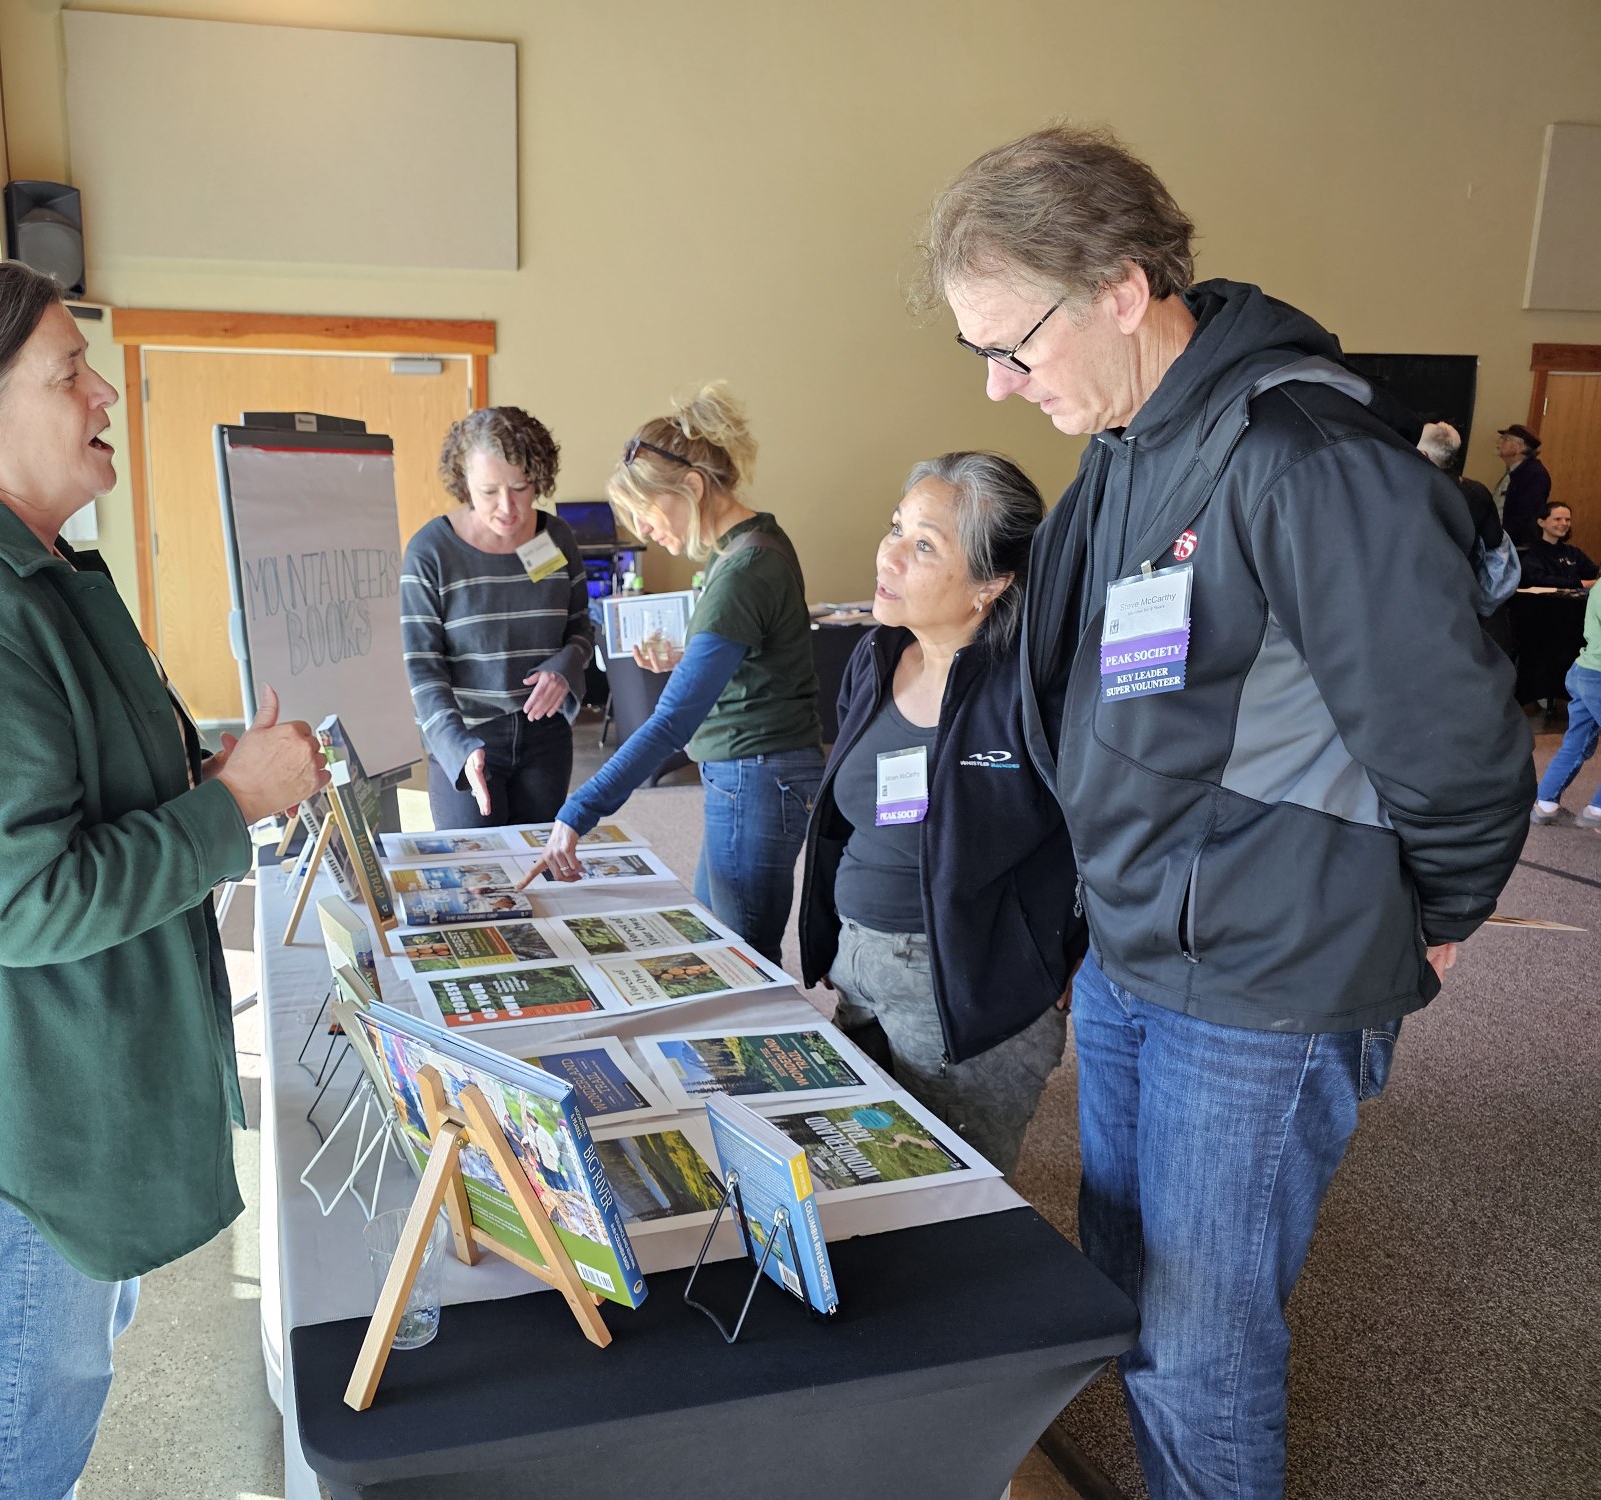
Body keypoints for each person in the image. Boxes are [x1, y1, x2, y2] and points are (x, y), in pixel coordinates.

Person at [913, 125, 1534, 1498]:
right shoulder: (1129, 445)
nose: (1002, 385)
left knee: (1198, 1346)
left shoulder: (1304, 458)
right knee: (1127, 1289)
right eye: (981, 353)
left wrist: (1432, 918)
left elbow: (1459, 744)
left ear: (1121, 289)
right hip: (1140, 951)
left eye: (1013, 346)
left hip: (1265, 978)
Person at [0, 262, 328, 1500]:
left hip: (54, 1068)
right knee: (23, 1424)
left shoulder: (16, 570)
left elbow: (67, 787)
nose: (103, 394)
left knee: (63, 1368)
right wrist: (229, 805)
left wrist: (204, 778)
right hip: (19, 1116)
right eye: (67, 374)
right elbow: (23, 897)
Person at [795, 454, 1082, 1174]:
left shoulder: (1033, 688)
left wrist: (1072, 947)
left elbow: (1091, 827)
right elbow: (847, 814)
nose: (888, 554)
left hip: (964, 982)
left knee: (952, 1189)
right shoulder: (877, 654)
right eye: (896, 528)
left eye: (924, 545)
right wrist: (835, 939)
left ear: (991, 584)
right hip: (858, 966)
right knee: (859, 1167)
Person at [525, 383, 823, 967]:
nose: (644, 530)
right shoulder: (749, 544)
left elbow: (669, 724)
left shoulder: (743, 568)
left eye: (646, 511)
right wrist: (689, 658)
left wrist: (578, 810)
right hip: (751, 771)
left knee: (741, 957)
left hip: (758, 773)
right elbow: (755, 661)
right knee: (717, 941)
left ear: (692, 486)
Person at [401, 407, 594, 828]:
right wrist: (456, 745)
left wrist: (564, 668)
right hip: (468, 737)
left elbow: (581, 627)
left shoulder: (555, 538)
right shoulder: (431, 552)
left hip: (546, 736)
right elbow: (422, 665)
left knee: (540, 859)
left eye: (520, 488)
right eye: (489, 491)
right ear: (464, 481)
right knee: (476, 866)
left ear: (538, 478)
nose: (507, 507)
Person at [1417, 420, 1518, 656]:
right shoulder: (1476, 492)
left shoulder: (1410, 490)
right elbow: (1495, 545)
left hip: (1419, 594)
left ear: (1423, 454)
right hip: (1464, 593)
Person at [1531, 574, 1601, 829]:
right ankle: (1597, 810)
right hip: (1598, 677)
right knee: (1577, 742)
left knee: (1577, 742)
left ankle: (1545, 805)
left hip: (1585, 671)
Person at [1495, 422, 1552, 546]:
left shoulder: (1535, 475)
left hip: (1514, 545)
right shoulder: (1513, 471)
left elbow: (1527, 515)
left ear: (1520, 447)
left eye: (1506, 439)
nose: (1499, 442)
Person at [1519, 502, 1598, 589]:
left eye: (1567, 520)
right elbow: (1537, 580)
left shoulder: (1573, 552)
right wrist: (1579, 583)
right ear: (1541, 522)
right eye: (1557, 519)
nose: (1564, 523)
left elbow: (1593, 572)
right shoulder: (1530, 553)